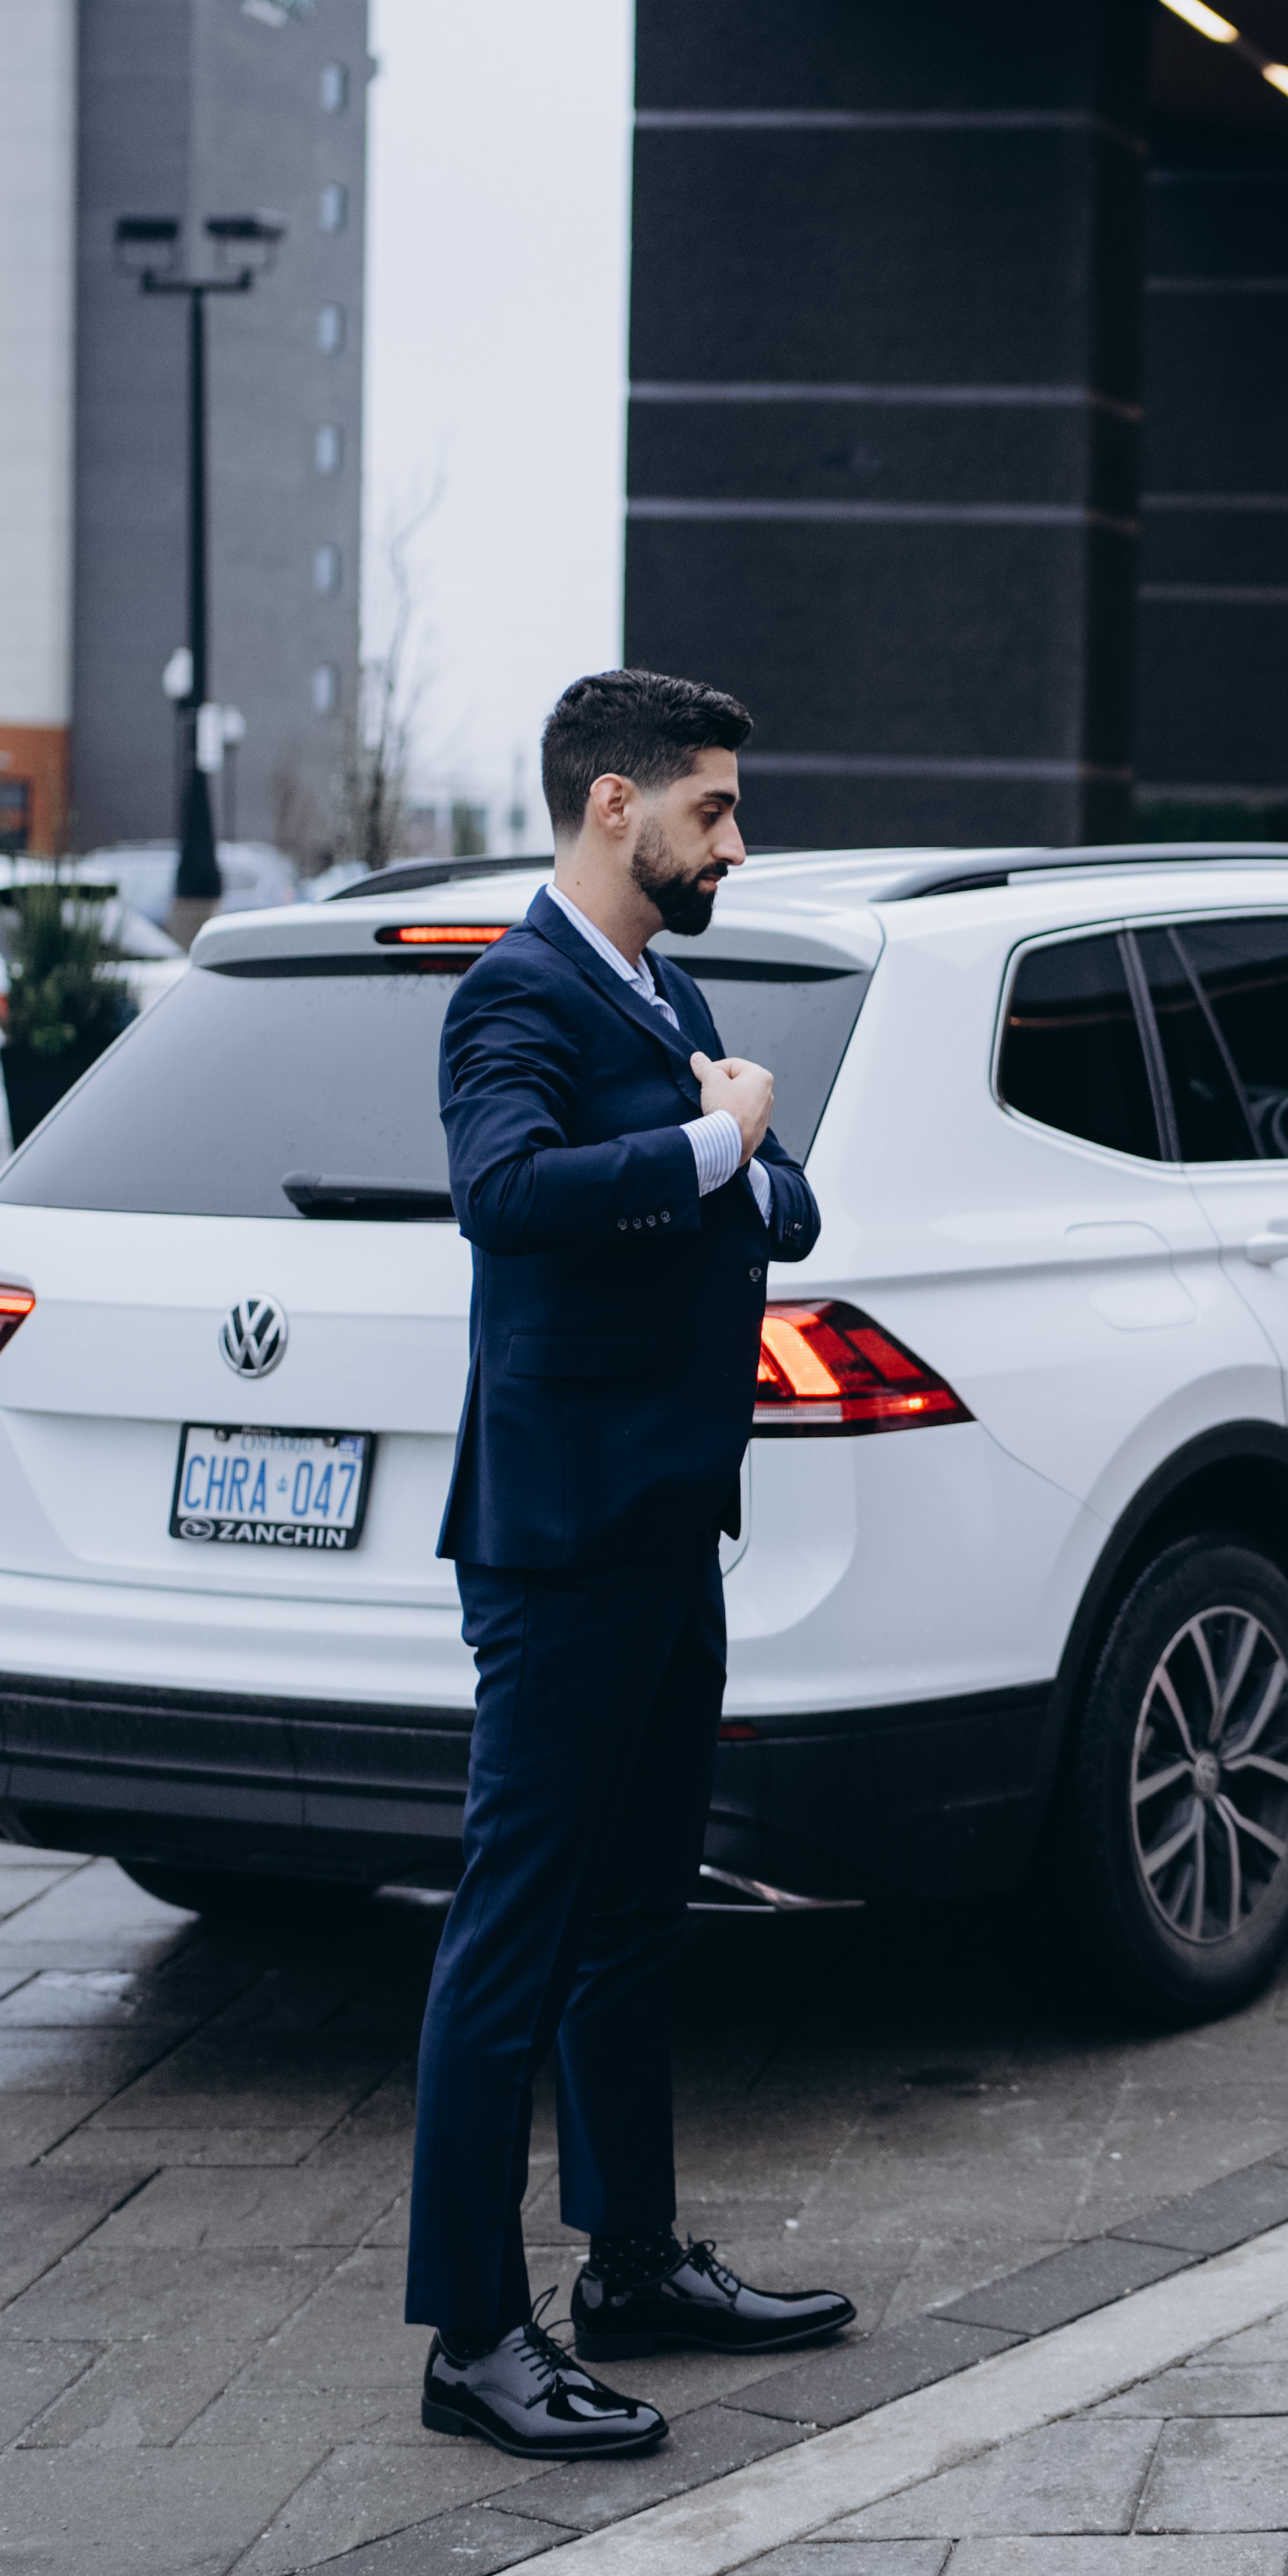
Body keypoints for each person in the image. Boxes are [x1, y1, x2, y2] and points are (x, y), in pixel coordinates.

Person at [406, 669, 857, 2461]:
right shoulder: (514, 994)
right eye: (712, 809)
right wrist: (713, 1139)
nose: (735, 841)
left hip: (671, 1525)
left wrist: (738, 1147)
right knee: (509, 1936)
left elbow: (790, 1202)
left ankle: (633, 2263)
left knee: (632, 1917)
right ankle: (469, 2337)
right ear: (616, 802)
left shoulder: (668, 991)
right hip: (560, 1539)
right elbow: (505, 1193)